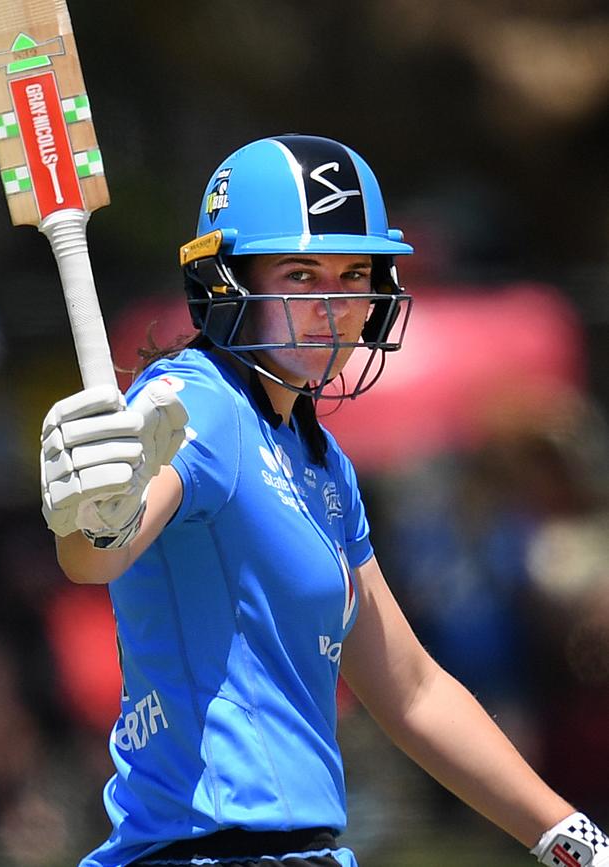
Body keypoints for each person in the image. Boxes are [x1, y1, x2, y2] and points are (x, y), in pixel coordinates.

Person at [40, 134, 609, 867]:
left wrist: (579, 843)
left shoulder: (322, 461)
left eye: (354, 274)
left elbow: (411, 689)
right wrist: (90, 510)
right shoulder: (197, 403)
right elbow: (97, 553)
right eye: (302, 274)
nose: (335, 306)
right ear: (229, 281)